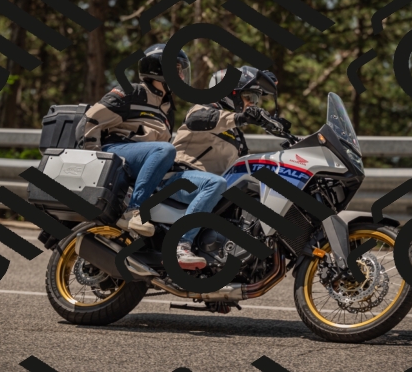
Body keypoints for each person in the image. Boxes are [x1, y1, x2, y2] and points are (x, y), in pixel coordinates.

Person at [167, 66, 283, 269]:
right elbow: (196, 120)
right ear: (231, 94)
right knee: (216, 183)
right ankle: (181, 244)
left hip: (210, 189)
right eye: (249, 97)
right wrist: (240, 118)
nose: (252, 104)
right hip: (179, 178)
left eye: (256, 99)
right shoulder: (203, 109)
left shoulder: (236, 134)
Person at [80, 43, 190, 237]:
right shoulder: (132, 92)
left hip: (142, 159)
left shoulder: (167, 110)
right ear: (158, 69)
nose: (181, 77)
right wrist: (94, 159)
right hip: (116, 151)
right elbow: (90, 120)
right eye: (177, 70)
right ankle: (135, 210)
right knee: (165, 150)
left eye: (181, 71)